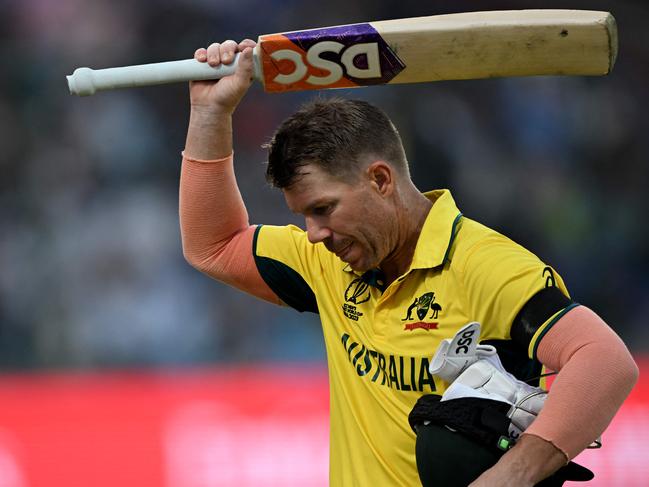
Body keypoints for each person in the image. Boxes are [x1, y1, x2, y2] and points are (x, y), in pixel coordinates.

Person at [179, 39, 638, 486]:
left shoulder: (485, 265)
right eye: (303, 217)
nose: (313, 233)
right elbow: (213, 245)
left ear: (380, 179)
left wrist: (511, 477)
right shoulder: (324, 262)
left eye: (323, 209)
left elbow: (604, 360)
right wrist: (210, 114)